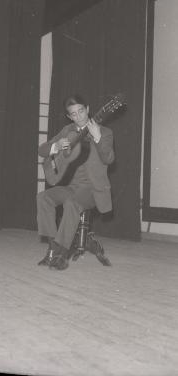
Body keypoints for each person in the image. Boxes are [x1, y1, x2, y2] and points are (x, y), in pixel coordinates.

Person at [37, 94, 115, 270]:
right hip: (71, 186)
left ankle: (62, 254)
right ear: (69, 116)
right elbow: (42, 150)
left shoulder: (105, 132)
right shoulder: (67, 130)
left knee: (72, 203)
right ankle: (52, 248)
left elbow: (109, 159)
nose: (79, 116)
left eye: (81, 111)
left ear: (88, 109)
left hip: (93, 190)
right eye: (74, 114)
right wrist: (56, 147)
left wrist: (98, 138)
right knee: (43, 197)